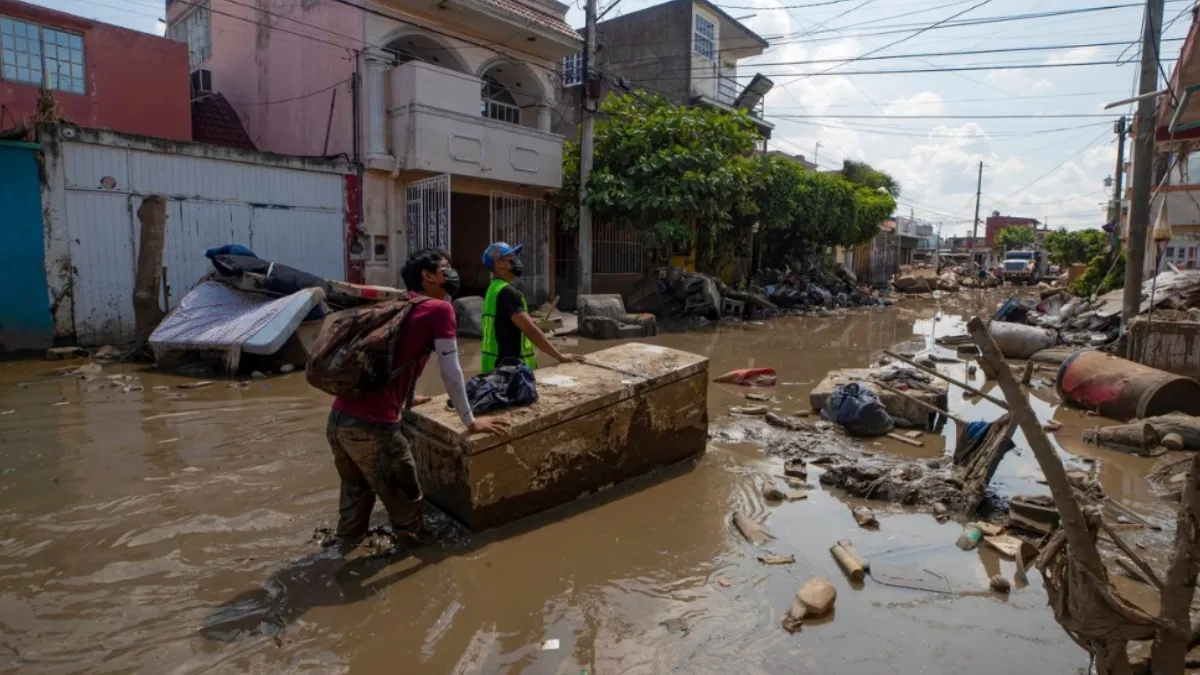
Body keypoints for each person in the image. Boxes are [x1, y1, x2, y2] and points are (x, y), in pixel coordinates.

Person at [325, 248, 509, 552]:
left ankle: (335, 566)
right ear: (427, 276)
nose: (451, 273)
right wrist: (471, 421)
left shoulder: (400, 305)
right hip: (375, 429)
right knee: (410, 514)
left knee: (355, 504)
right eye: (445, 268)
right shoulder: (439, 309)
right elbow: (451, 371)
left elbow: (394, 360)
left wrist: (407, 399)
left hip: (339, 421)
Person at [479, 241, 583, 374]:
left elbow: (505, 324)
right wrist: (560, 356)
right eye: (511, 257)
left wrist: (537, 324)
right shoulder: (508, 292)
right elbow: (531, 331)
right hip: (510, 371)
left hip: (493, 368)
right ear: (499, 263)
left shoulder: (493, 289)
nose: (516, 261)